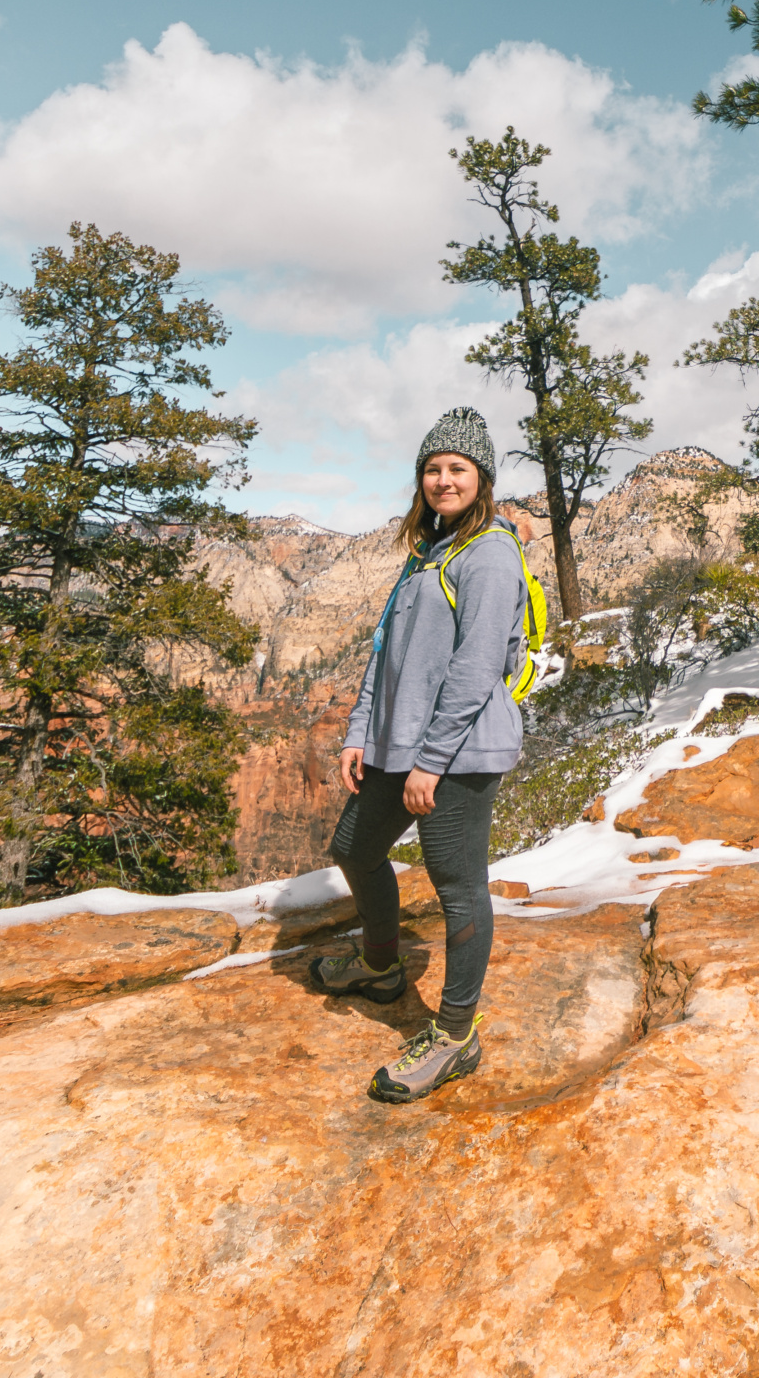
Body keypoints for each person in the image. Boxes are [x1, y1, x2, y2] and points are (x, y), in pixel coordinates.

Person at [310, 405, 529, 1103]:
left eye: (456, 468)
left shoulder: (491, 553)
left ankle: (456, 1035)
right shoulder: (428, 551)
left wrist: (431, 760)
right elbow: (384, 654)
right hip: (398, 745)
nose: (443, 479)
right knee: (354, 846)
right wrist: (358, 734)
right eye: (432, 469)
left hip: (458, 755)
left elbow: (475, 667)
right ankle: (381, 967)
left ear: (482, 477)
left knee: (457, 883)